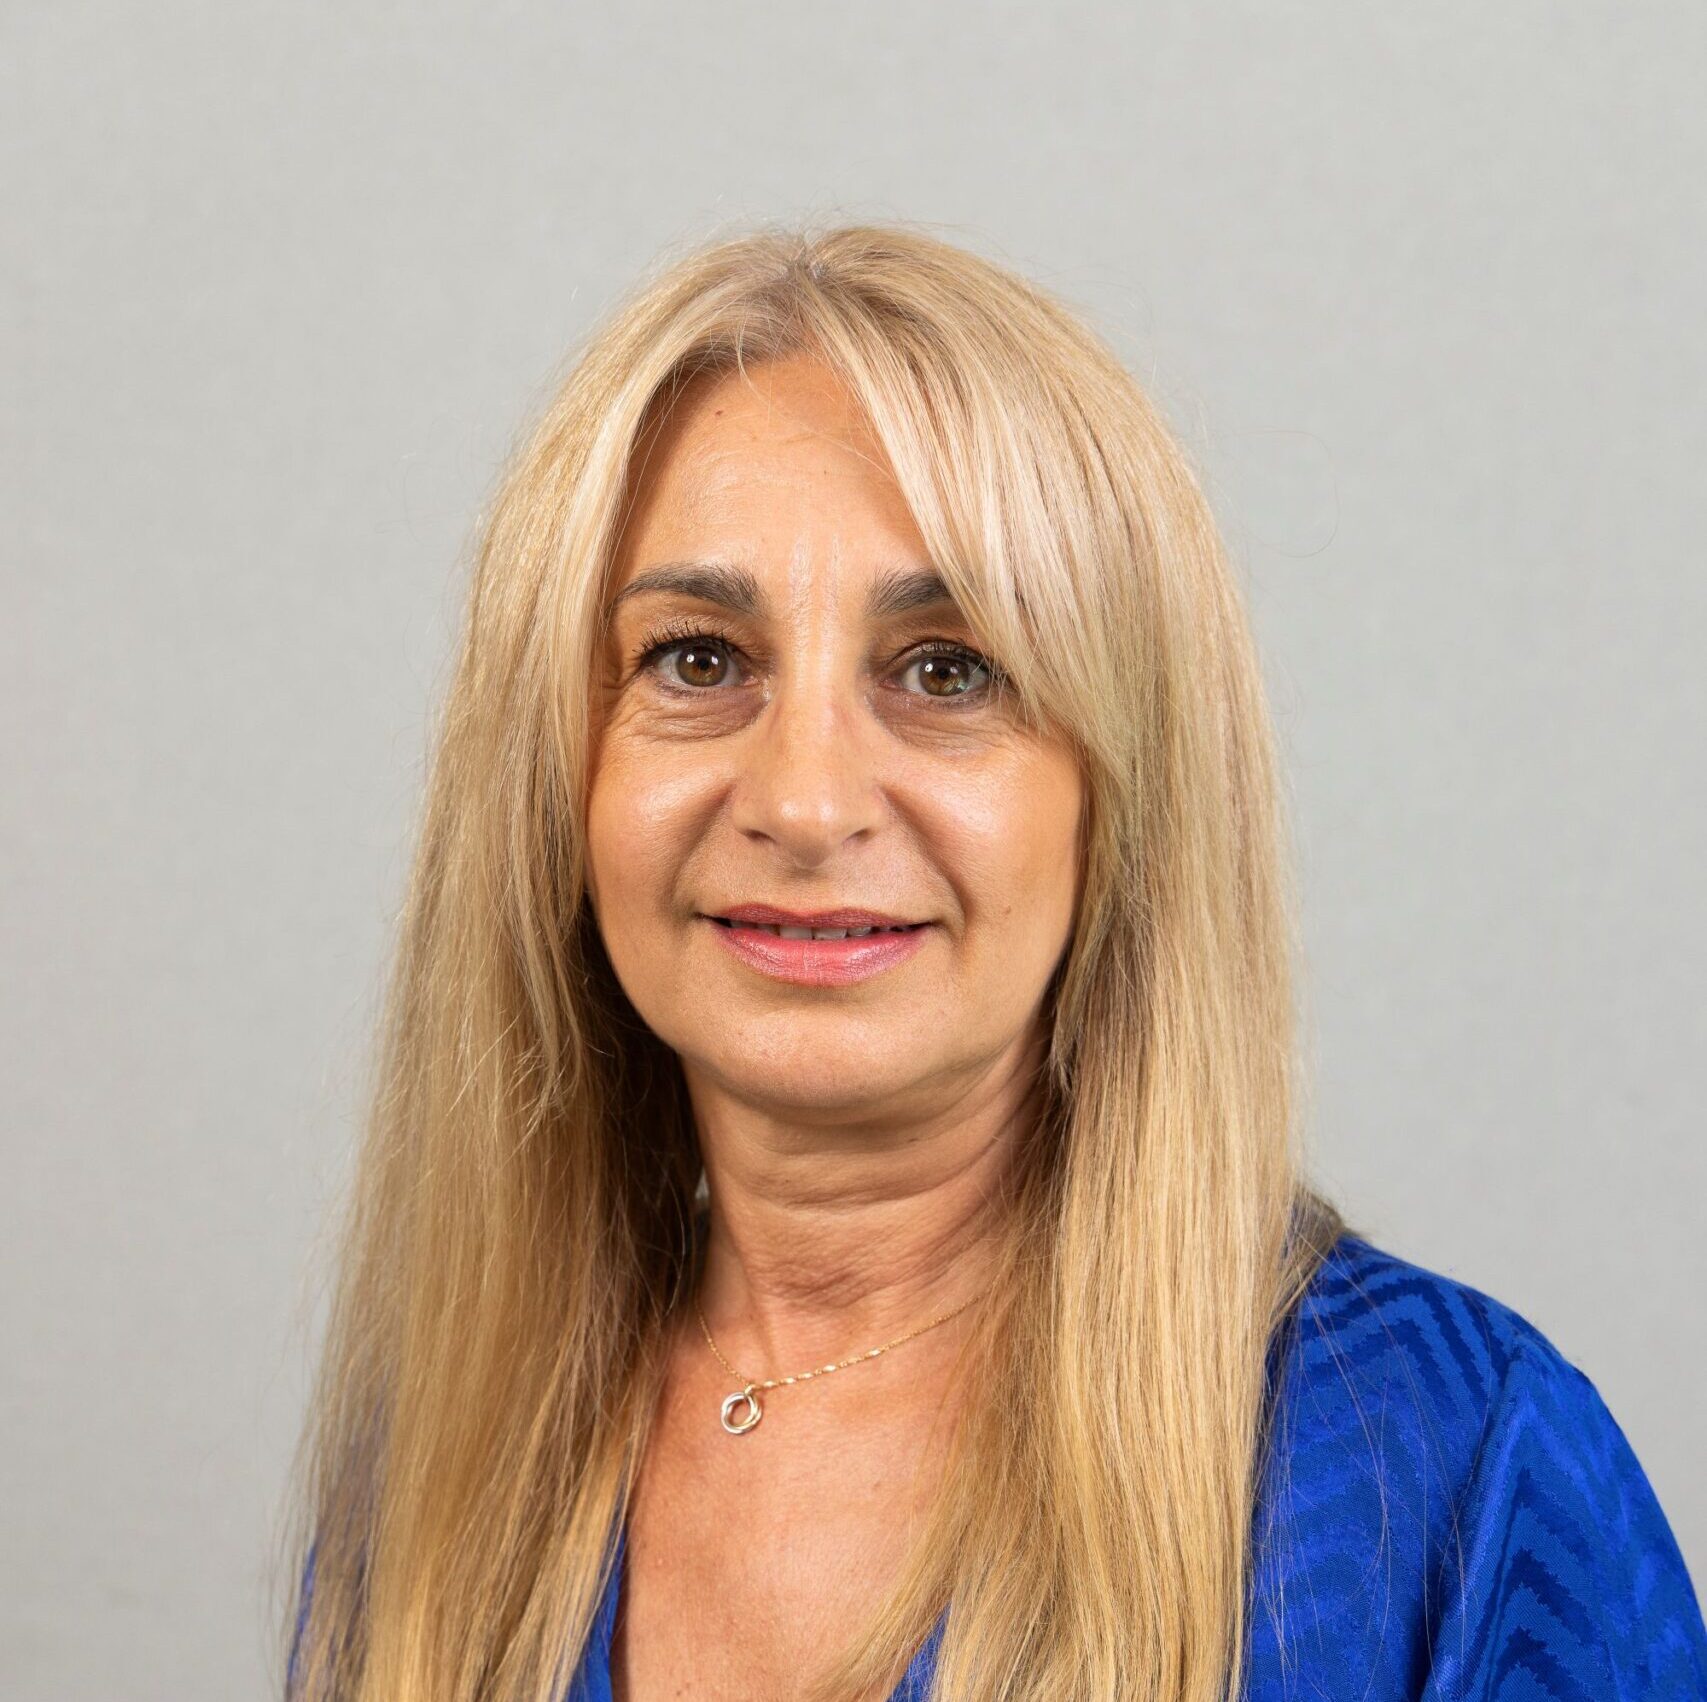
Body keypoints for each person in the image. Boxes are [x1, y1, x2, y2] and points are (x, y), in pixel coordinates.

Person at [280, 223, 1707, 1702]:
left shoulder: (1451, 1471)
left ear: (1124, 793)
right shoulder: (448, 1479)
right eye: (698, 659)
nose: (805, 802)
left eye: (949, 669)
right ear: (552, 776)